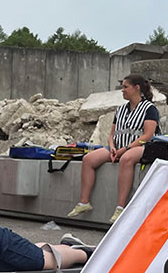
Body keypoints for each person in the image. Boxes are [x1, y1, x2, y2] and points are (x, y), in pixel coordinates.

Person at [68, 74, 160, 223]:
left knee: (126, 159)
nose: (122, 90)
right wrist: (112, 147)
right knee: (89, 159)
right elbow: (112, 134)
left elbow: (147, 135)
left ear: (137, 88)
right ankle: (84, 202)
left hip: (142, 146)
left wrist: (125, 149)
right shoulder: (121, 109)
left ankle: (120, 207)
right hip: (118, 146)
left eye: (125, 87)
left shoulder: (149, 109)